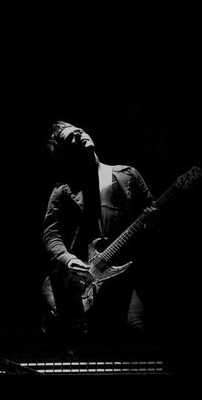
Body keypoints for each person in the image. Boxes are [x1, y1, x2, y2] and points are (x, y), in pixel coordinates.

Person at [41, 120, 159, 348]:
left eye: (79, 131)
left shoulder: (128, 176)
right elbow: (51, 235)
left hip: (126, 277)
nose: (79, 135)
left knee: (137, 335)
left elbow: (153, 221)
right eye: (70, 138)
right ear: (65, 153)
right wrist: (68, 259)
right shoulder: (63, 190)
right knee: (90, 345)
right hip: (87, 281)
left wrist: (153, 223)